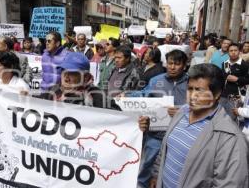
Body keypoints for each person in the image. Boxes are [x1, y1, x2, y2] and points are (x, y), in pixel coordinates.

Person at [150, 63, 248, 188]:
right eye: (190, 89)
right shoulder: (181, 113)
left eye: (199, 90)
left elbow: (231, 183)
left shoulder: (230, 138)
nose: (192, 96)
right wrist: (156, 175)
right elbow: (165, 149)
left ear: (217, 94)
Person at [39, 51, 149, 131]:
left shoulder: (97, 97)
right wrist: (23, 99)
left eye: (72, 73)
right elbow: (34, 107)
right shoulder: (54, 91)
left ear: (86, 77)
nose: (66, 77)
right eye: (64, 71)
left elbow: (120, 122)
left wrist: (137, 125)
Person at [129, 50, 188, 188]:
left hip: (179, 135)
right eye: (170, 63)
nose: (172, 67)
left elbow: (198, 105)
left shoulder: (191, 82)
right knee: (145, 168)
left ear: (184, 65)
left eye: (177, 64)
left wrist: (183, 111)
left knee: (173, 169)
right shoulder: (156, 80)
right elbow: (144, 95)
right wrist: (126, 95)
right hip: (155, 135)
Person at [220, 43, 249, 120]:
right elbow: (223, 76)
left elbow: (247, 80)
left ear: (239, 51)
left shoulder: (244, 65)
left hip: (236, 97)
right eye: (231, 51)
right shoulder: (225, 63)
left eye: (235, 50)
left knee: (231, 119)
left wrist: (237, 79)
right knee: (219, 117)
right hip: (223, 95)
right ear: (228, 52)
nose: (233, 52)